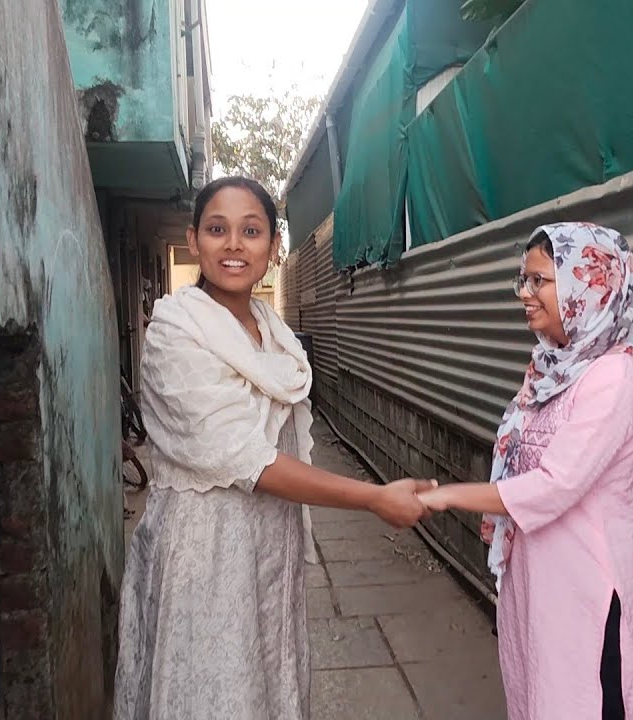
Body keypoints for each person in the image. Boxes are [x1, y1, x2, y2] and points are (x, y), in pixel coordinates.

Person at [114, 176, 435, 720]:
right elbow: (250, 460)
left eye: (251, 231)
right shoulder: (175, 332)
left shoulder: (272, 330)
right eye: (218, 229)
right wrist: (373, 497)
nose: (234, 245)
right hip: (205, 557)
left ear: (273, 247)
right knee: (211, 693)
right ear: (194, 240)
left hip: (269, 550)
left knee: (268, 683)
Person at [418, 222, 633, 720]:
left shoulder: (615, 378)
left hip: (586, 586)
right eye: (522, 281)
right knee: (539, 698)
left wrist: (445, 496)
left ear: (586, 286)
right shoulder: (551, 370)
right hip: (538, 577)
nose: (525, 294)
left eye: (540, 281)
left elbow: (555, 485)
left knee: (585, 701)